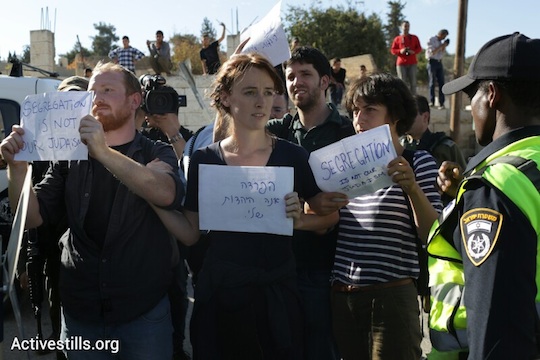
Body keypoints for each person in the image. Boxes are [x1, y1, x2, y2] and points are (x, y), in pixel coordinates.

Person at [151, 52, 337, 359]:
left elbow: (328, 216)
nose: (261, 102)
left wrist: (301, 220)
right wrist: (152, 200)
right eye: (250, 92)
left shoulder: (294, 157)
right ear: (225, 98)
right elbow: (190, 233)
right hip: (220, 301)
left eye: (268, 92)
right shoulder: (204, 160)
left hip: (278, 302)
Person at [0, 61, 184, 359]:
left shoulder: (154, 150)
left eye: (107, 90)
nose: (95, 98)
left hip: (143, 313)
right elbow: (33, 217)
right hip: (80, 313)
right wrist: (17, 169)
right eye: (92, 90)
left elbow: (166, 192)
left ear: (134, 100)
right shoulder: (69, 158)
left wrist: (102, 151)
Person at [427, 32, 540, 360]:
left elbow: (497, 328)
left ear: (491, 95)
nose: (468, 106)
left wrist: (476, 198)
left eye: (470, 95)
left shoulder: (496, 187)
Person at [329, 73, 442, 359]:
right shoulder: (343, 167)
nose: (358, 120)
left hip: (390, 298)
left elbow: (433, 233)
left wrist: (412, 187)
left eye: (369, 110)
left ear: (394, 117)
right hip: (343, 296)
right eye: (355, 111)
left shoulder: (419, 162)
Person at [267, 46, 355, 360]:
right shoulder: (277, 132)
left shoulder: (348, 134)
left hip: (326, 270)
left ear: (325, 81)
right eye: (290, 76)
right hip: (279, 266)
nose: (295, 82)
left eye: (305, 74)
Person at [402, 94, 467, 205]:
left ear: (425, 117)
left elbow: (465, 182)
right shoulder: (399, 146)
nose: (405, 119)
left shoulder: (446, 148)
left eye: (411, 114)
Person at [391, 21, 422, 95]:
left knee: (413, 82)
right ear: (401, 27)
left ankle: (414, 99)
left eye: (407, 26)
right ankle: (403, 99)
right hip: (401, 63)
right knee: (402, 82)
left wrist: (413, 51)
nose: (406, 28)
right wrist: (400, 51)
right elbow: (393, 50)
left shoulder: (414, 37)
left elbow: (419, 48)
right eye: (405, 26)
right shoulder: (397, 39)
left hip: (412, 63)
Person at [426, 29, 450, 109]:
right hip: (432, 62)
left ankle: (441, 103)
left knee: (441, 83)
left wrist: (444, 46)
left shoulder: (441, 42)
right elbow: (432, 52)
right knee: (432, 82)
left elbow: (441, 52)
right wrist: (441, 46)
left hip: (439, 62)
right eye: (444, 36)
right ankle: (431, 102)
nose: (444, 38)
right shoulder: (432, 39)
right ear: (441, 34)